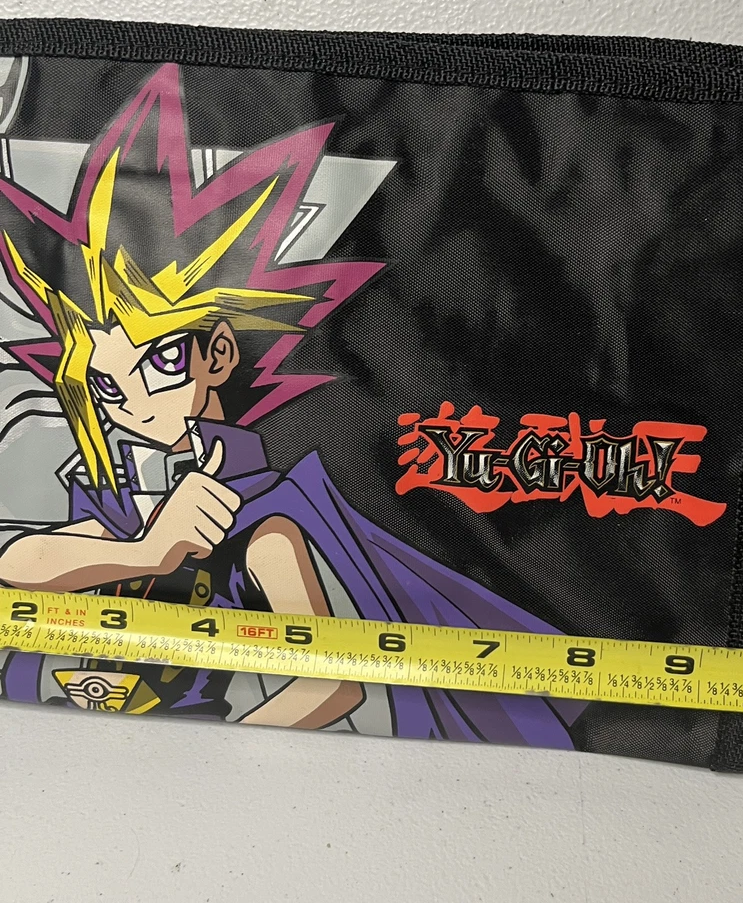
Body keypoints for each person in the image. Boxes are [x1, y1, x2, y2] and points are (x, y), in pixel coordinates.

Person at [0, 63, 582, 744]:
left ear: (220, 353)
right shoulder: (114, 497)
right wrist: (146, 553)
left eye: (160, 363)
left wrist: (212, 746)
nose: (134, 402)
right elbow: (18, 567)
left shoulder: (265, 518)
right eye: (106, 383)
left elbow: (332, 686)